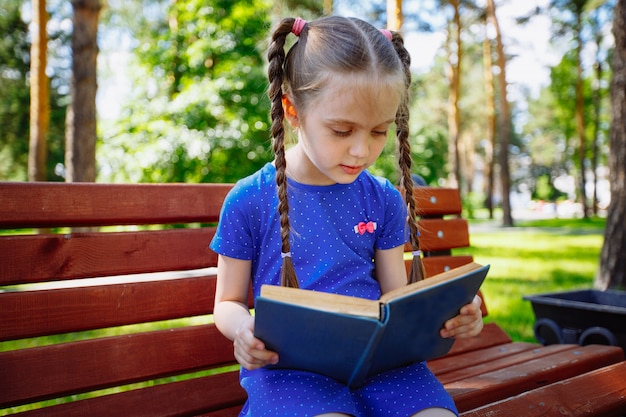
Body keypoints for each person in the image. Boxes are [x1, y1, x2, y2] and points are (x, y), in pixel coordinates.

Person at [210, 15, 483, 417]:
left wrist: (451, 313)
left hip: (382, 366)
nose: (361, 151)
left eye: (378, 132)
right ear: (292, 110)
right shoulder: (250, 199)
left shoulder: (382, 199)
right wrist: (242, 329)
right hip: (291, 371)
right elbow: (227, 302)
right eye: (342, 131)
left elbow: (394, 299)